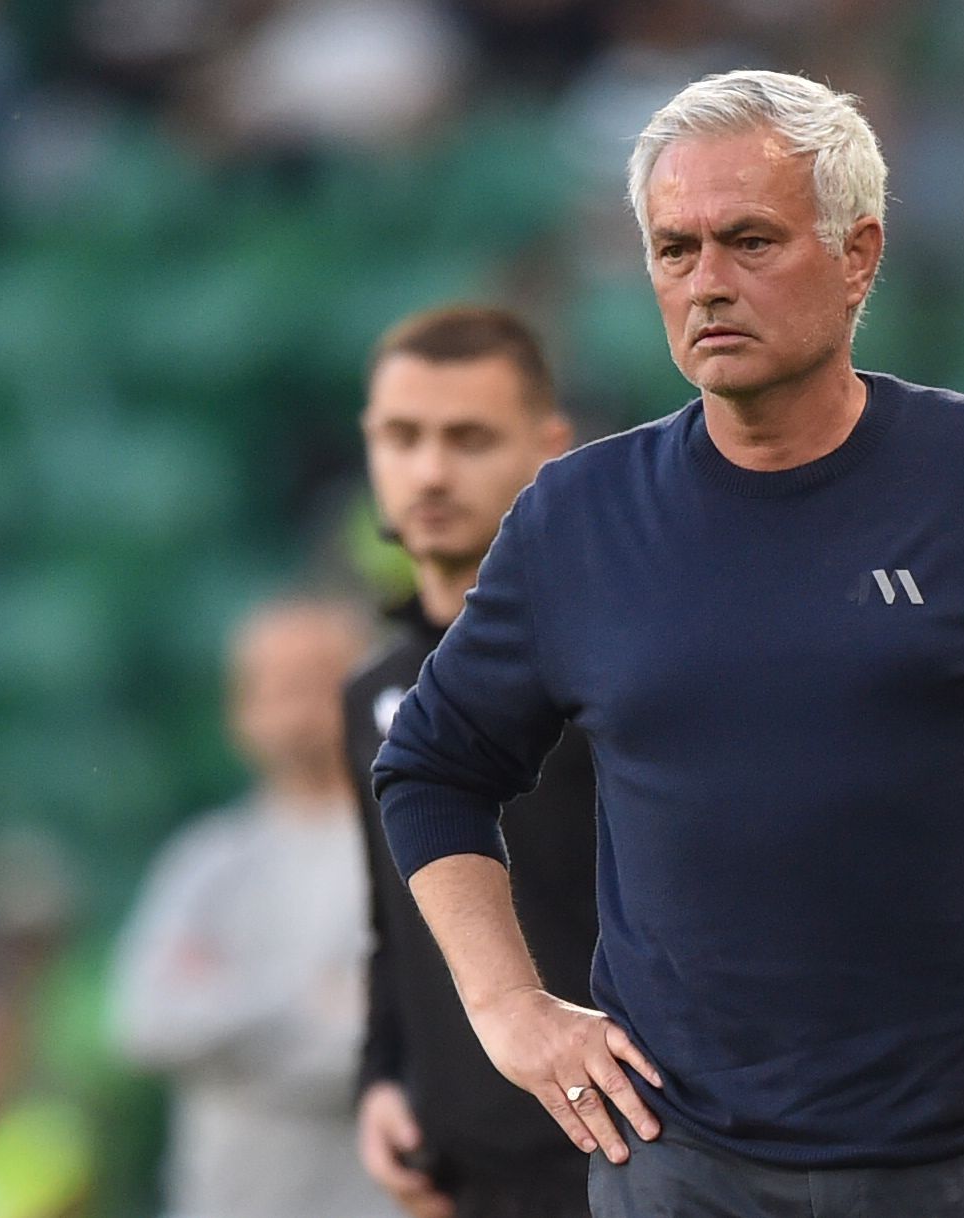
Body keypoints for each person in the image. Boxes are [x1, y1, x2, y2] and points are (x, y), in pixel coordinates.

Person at [374, 70, 964, 1218]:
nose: (707, 283)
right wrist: (506, 1009)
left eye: (749, 241)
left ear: (859, 254)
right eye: (674, 250)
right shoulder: (575, 520)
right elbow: (431, 769)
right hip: (684, 1171)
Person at [346, 305, 597, 1218]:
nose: (429, 471)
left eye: (469, 437)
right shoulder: (369, 690)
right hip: (458, 1183)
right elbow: (393, 925)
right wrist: (381, 1078)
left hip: (623, 1166)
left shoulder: (615, 669)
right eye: (401, 437)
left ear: (549, 446)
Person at [111, 598, 392, 1218]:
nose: (293, 707)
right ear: (240, 709)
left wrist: (231, 1025)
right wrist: (311, 998)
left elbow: (393, 1040)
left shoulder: (412, 855)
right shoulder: (205, 863)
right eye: (273, 686)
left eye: (315, 682)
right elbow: (146, 1022)